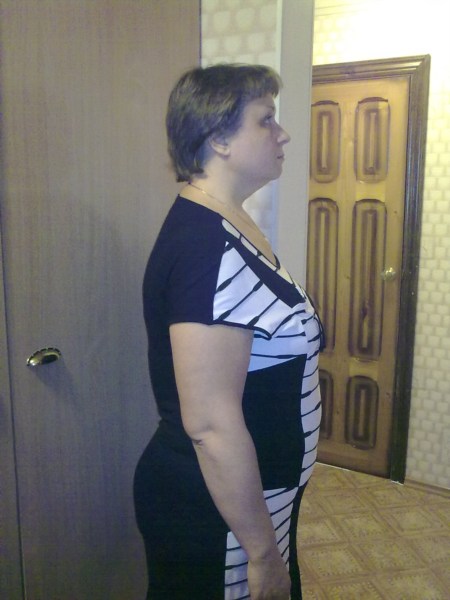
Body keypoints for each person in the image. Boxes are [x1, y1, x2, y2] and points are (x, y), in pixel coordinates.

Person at [133, 63, 323, 600]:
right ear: (218, 138)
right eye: (266, 120)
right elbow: (210, 425)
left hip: (254, 501)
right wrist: (262, 553)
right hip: (219, 513)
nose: (283, 134)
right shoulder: (205, 247)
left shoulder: (228, 221)